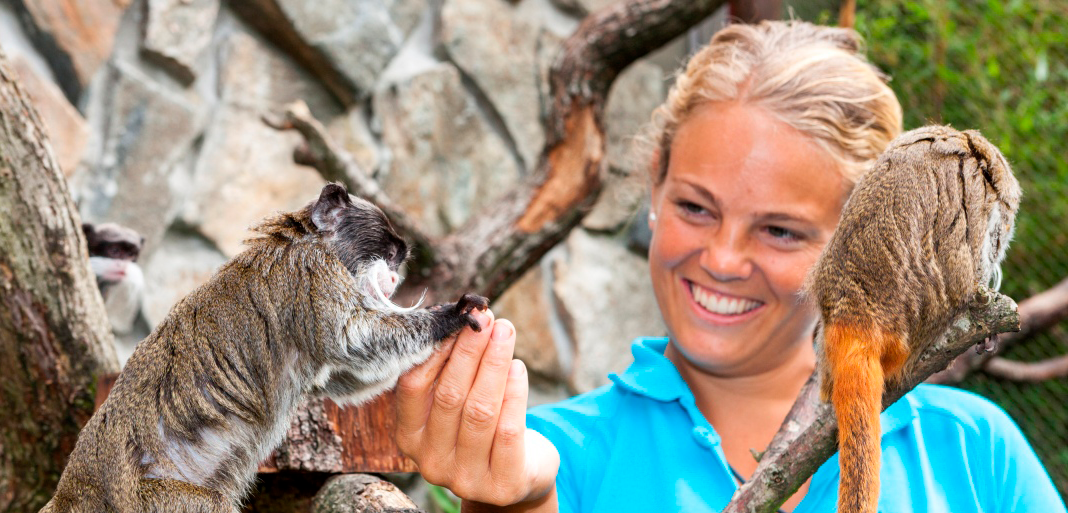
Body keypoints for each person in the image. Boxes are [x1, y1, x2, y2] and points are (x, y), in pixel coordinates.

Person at [393, 20, 1067, 513]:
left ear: (860, 242)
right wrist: (517, 500)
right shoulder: (557, 453)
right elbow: (530, 487)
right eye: (695, 207)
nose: (721, 259)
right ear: (654, 189)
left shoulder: (971, 450)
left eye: (779, 230)